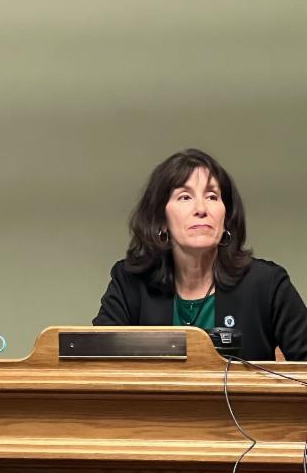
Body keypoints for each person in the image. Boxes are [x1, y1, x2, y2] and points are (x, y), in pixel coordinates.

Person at [93, 148, 307, 360]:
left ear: (226, 217)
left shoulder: (267, 284)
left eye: (212, 196)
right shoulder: (130, 283)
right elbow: (95, 367)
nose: (201, 208)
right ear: (162, 220)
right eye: (185, 197)